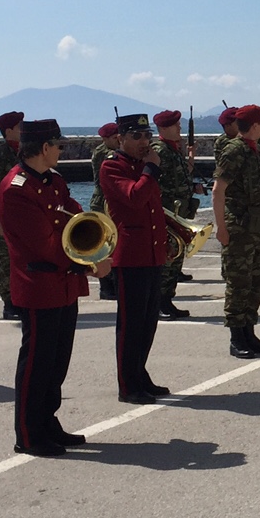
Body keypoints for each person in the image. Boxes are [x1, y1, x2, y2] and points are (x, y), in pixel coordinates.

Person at [0, 118, 107, 455]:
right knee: (36, 362)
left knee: (57, 360)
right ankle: (29, 434)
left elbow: (75, 216)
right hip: (39, 284)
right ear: (44, 148)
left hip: (62, 284)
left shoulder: (53, 181)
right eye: (59, 146)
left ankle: (48, 421)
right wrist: (90, 263)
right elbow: (44, 245)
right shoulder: (16, 189)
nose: (62, 151)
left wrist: (100, 238)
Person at [99, 113, 170, 402]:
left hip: (152, 252)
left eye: (147, 136)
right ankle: (128, 385)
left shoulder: (141, 166)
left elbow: (154, 210)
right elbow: (134, 198)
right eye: (137, 137)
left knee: (149, 320)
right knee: (130, 325)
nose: (145, 142)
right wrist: (151, 170)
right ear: (121, 139)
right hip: (130, 255)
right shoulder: (112, 167)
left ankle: (140, 373)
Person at [213, 104, 260, 358]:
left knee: (256, 282)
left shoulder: (252, 151)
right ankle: (237, 337)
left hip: (255, 227)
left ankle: (249, 333)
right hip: (238, 227)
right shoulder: (234, 150)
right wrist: (221, 228)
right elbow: (218, 190)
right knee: (238, 283)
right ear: (255, 125)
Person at [153, 110, 196, 318]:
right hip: (166, 213)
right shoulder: (159, 151)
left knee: (176, 258)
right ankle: (159, 302)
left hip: (178, 214)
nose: (179, 128)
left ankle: (167, 299)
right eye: (175, 125)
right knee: (167, 260)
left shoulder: (173, 150)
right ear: (163, 128)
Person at [0, 110, 24, 320]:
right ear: (9, 131)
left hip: (24, 217)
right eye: (20, 126)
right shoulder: (0, 155)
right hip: (7, 218)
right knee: (8, 262)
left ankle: (23, 300)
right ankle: (9, 304)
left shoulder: (27, 152)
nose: (23, 129)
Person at [88, 121, 121, 300]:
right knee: (105, 245)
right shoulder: (105, 153)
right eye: (115, 138)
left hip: (106, 201)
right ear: (105, 139)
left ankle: (111, 285)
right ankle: (107, 286)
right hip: (103, 202)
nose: (118, 140)